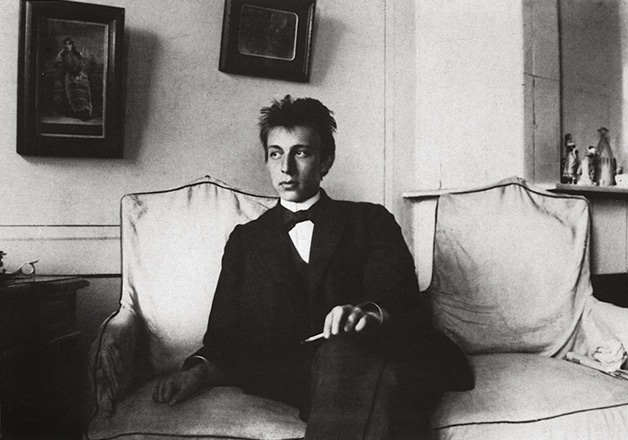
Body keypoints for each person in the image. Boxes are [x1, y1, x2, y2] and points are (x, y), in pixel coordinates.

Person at [152, 95, 473, 438]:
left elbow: (400, 298)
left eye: (301, 153)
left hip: (377, 360)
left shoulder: (370, 221)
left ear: (325, 160)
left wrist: (368, 312)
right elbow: (224, 337)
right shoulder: (245, 241)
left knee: (349, 356)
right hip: (294, 380)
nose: (286, 168)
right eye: (276, 154)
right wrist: (196, 372)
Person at [54, 37, 93, 120]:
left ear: (72, 45)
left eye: (69, 44)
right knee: (73, 87)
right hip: (69, 75)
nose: (67, 46)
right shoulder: (63, 55)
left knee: (84, 84)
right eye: (66, 44)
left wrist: (80, 73)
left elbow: (82, 64)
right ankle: (76, 111)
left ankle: (85, 110)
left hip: (79, 74)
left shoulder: (77, 54)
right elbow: (62, 65)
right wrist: (75, 74)